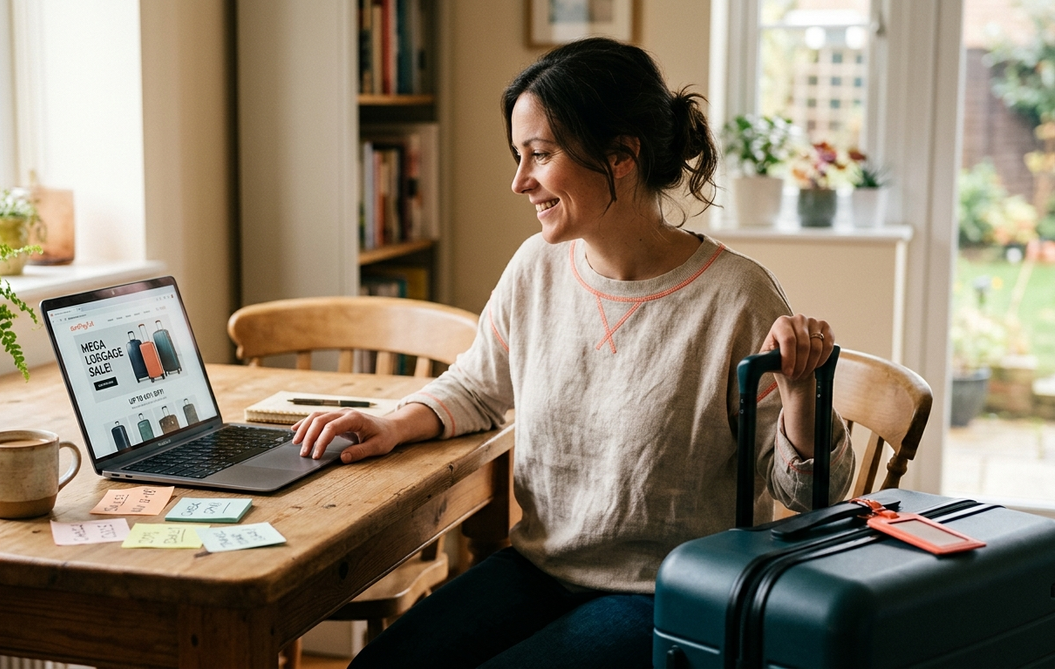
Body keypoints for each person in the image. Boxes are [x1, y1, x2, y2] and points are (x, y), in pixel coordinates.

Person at [293, 37, 854, 669]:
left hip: (664, 593)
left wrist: (804, 392)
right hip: (539, 567)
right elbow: (479, 388)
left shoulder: (736, 297)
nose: (519, 181)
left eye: (540, 154)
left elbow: (813, 503)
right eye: (518, 155)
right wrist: (392, 421)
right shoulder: (537, 266)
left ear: (621, 156)